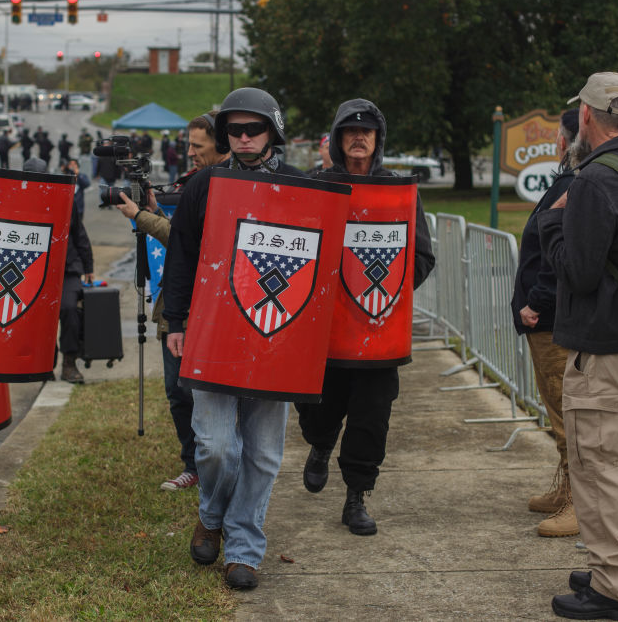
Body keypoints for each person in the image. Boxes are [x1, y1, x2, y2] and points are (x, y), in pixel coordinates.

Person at [163, 87, 304, 590]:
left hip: (275, 333)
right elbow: (180, 255)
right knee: (218, 445)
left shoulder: (300, 187)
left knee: (264, 453)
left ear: (272, 131)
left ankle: (244, 546)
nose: (244, 139)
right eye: (235, 131)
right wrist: (175, 321)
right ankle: (212, 514)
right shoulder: (204, 185)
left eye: (254, 129)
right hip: (212, 330)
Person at [539, 72, 618, 620]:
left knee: (603, 465)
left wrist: (551, 222)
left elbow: (580, 271)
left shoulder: (593, 181)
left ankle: (614, 590)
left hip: (604, 350)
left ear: (586, 116)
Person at [297, 99, 434, 536]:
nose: (359, 138)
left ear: (378, 140)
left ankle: (356, 495)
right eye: (350, 131)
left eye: (367, 132)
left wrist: (387, 297)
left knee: (371, 416)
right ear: (337, 139)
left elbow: (422, 256)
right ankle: (319, 446)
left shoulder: (400, 192)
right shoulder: (318, 186)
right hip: (324, 334)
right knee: (319, 411)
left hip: (378, 331)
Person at [115, 112, 228, 493]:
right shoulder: (194, 182)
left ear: (222, 144)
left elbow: (195, 244)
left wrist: (142, 218)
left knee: (207, 395)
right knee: (176, 391)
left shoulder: (230, 185)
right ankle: (192, 464)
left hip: (212, 307)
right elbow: (181, 235)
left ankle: (216, 466)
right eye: (189, 144)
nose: (190, 152)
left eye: (198, 145)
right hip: (174, 305)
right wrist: (154, 209)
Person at [510, 108, 582, 539]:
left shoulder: (574, 185)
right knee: (557, 410)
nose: (556, 141)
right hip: (545, 320)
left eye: (560, 134)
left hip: (552, 319)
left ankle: (579, 501)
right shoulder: (566, 179)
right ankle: (566, 486)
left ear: (569, 140)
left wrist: (536, 301)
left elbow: (559, 256)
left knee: (567, 414)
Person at [58, 201, 95, 383]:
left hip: (67, 267)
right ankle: (43, 365)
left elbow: (79, 234)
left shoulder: (65, 199)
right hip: (33, 267)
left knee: (70, 308)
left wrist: (88, 266)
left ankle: (69, 363)